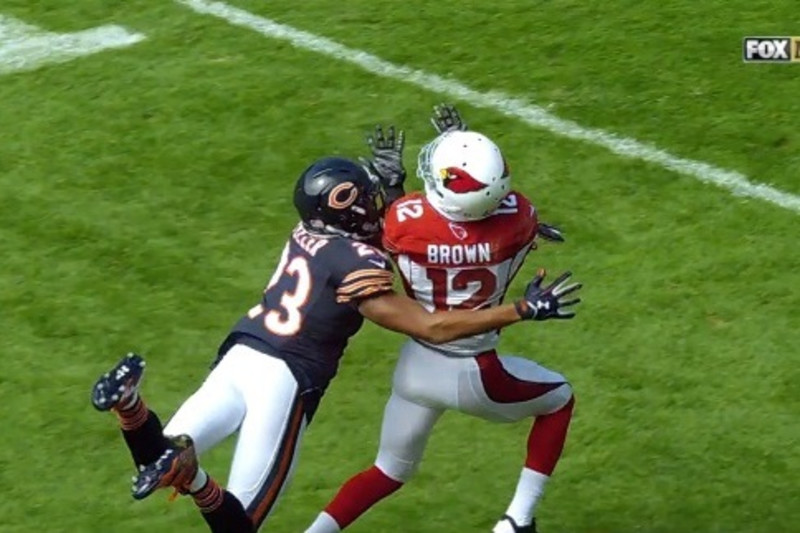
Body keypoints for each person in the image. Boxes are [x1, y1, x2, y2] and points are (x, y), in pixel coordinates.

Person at [91, 134, 581, 533]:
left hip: (241, 353)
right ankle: (196, 476)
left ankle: (131, 408)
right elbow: (429, 322)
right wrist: (519, 309)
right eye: (366, 197)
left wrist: (395, 188)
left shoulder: (307, 233)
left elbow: (387, 235)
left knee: (157, 459)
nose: (376, 203)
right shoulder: (361, 262)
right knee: (240, 520)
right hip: (285, 378)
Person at [305, 106, 579, 533]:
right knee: (560, 397)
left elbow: (404, 229)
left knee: (388, 471)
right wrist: (466, 149)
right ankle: (516, 521)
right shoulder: (520, 220)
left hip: (415, 367)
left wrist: (392, 183)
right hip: (474, 369)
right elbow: (489, 208)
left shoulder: (404, 222)